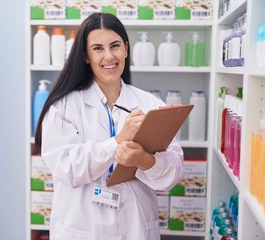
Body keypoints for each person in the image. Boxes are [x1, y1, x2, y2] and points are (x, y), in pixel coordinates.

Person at [34, 12, 184, 240]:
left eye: (115, 46)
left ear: (125, 48)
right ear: (85, 55)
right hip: (83, 228)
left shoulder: (150, 104)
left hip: (136, 228)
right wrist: (117, 142)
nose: (109, 56)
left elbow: (174, 172)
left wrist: (144, 161)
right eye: (97, 48)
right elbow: (68, 169)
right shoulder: (63, 108)